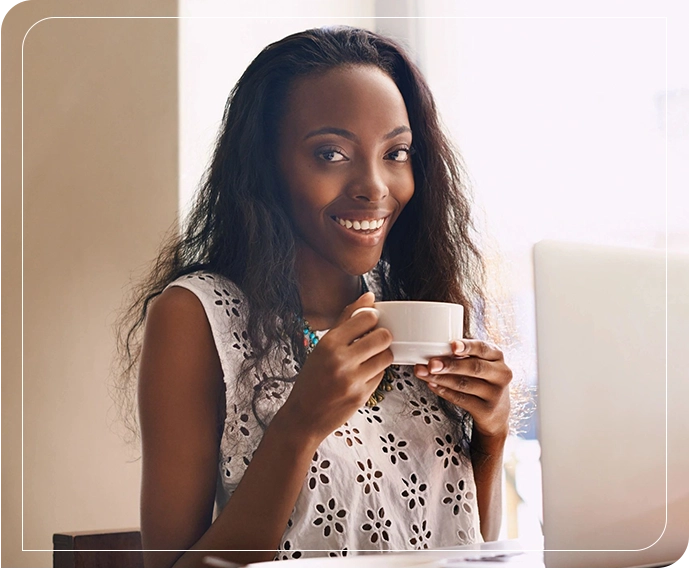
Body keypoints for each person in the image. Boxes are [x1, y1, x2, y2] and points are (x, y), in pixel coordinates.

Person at [117, 26, 513, 567]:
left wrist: (489, 439)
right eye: (331, 153)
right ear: (266, 168)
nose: (375, 186)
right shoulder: (196, 315)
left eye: (396, 152)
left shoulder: (419, 310)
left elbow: (468, 543)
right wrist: (301, 420)